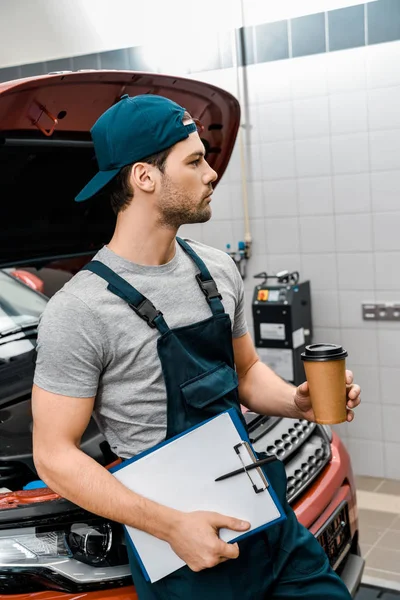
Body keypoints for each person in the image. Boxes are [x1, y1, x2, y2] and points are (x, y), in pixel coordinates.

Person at [32, 93, 361, 599]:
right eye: (194, 161)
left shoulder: (218, 269)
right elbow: (53, 456)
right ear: (144, 177)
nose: (212, 174)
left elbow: (246, 371)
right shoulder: (80, 309)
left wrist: (298, 402)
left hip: (267, 523)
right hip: (184, 551)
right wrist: (169, 527)